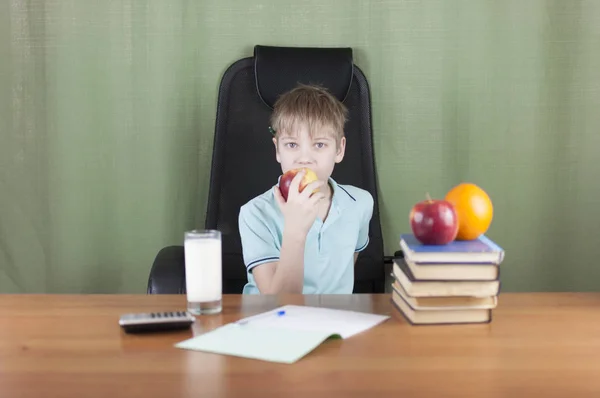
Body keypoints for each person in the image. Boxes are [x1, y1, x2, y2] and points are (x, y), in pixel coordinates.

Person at [238, 83, 374, 294]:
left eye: (319, 145)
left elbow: (343, 272)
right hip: (273, 321)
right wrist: (295, 230)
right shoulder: (255, 213)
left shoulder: (361, 203)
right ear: (277, 149)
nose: (304, 159)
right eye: (292, 145)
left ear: (339, 149)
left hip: (334, 321)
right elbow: (277, 304)